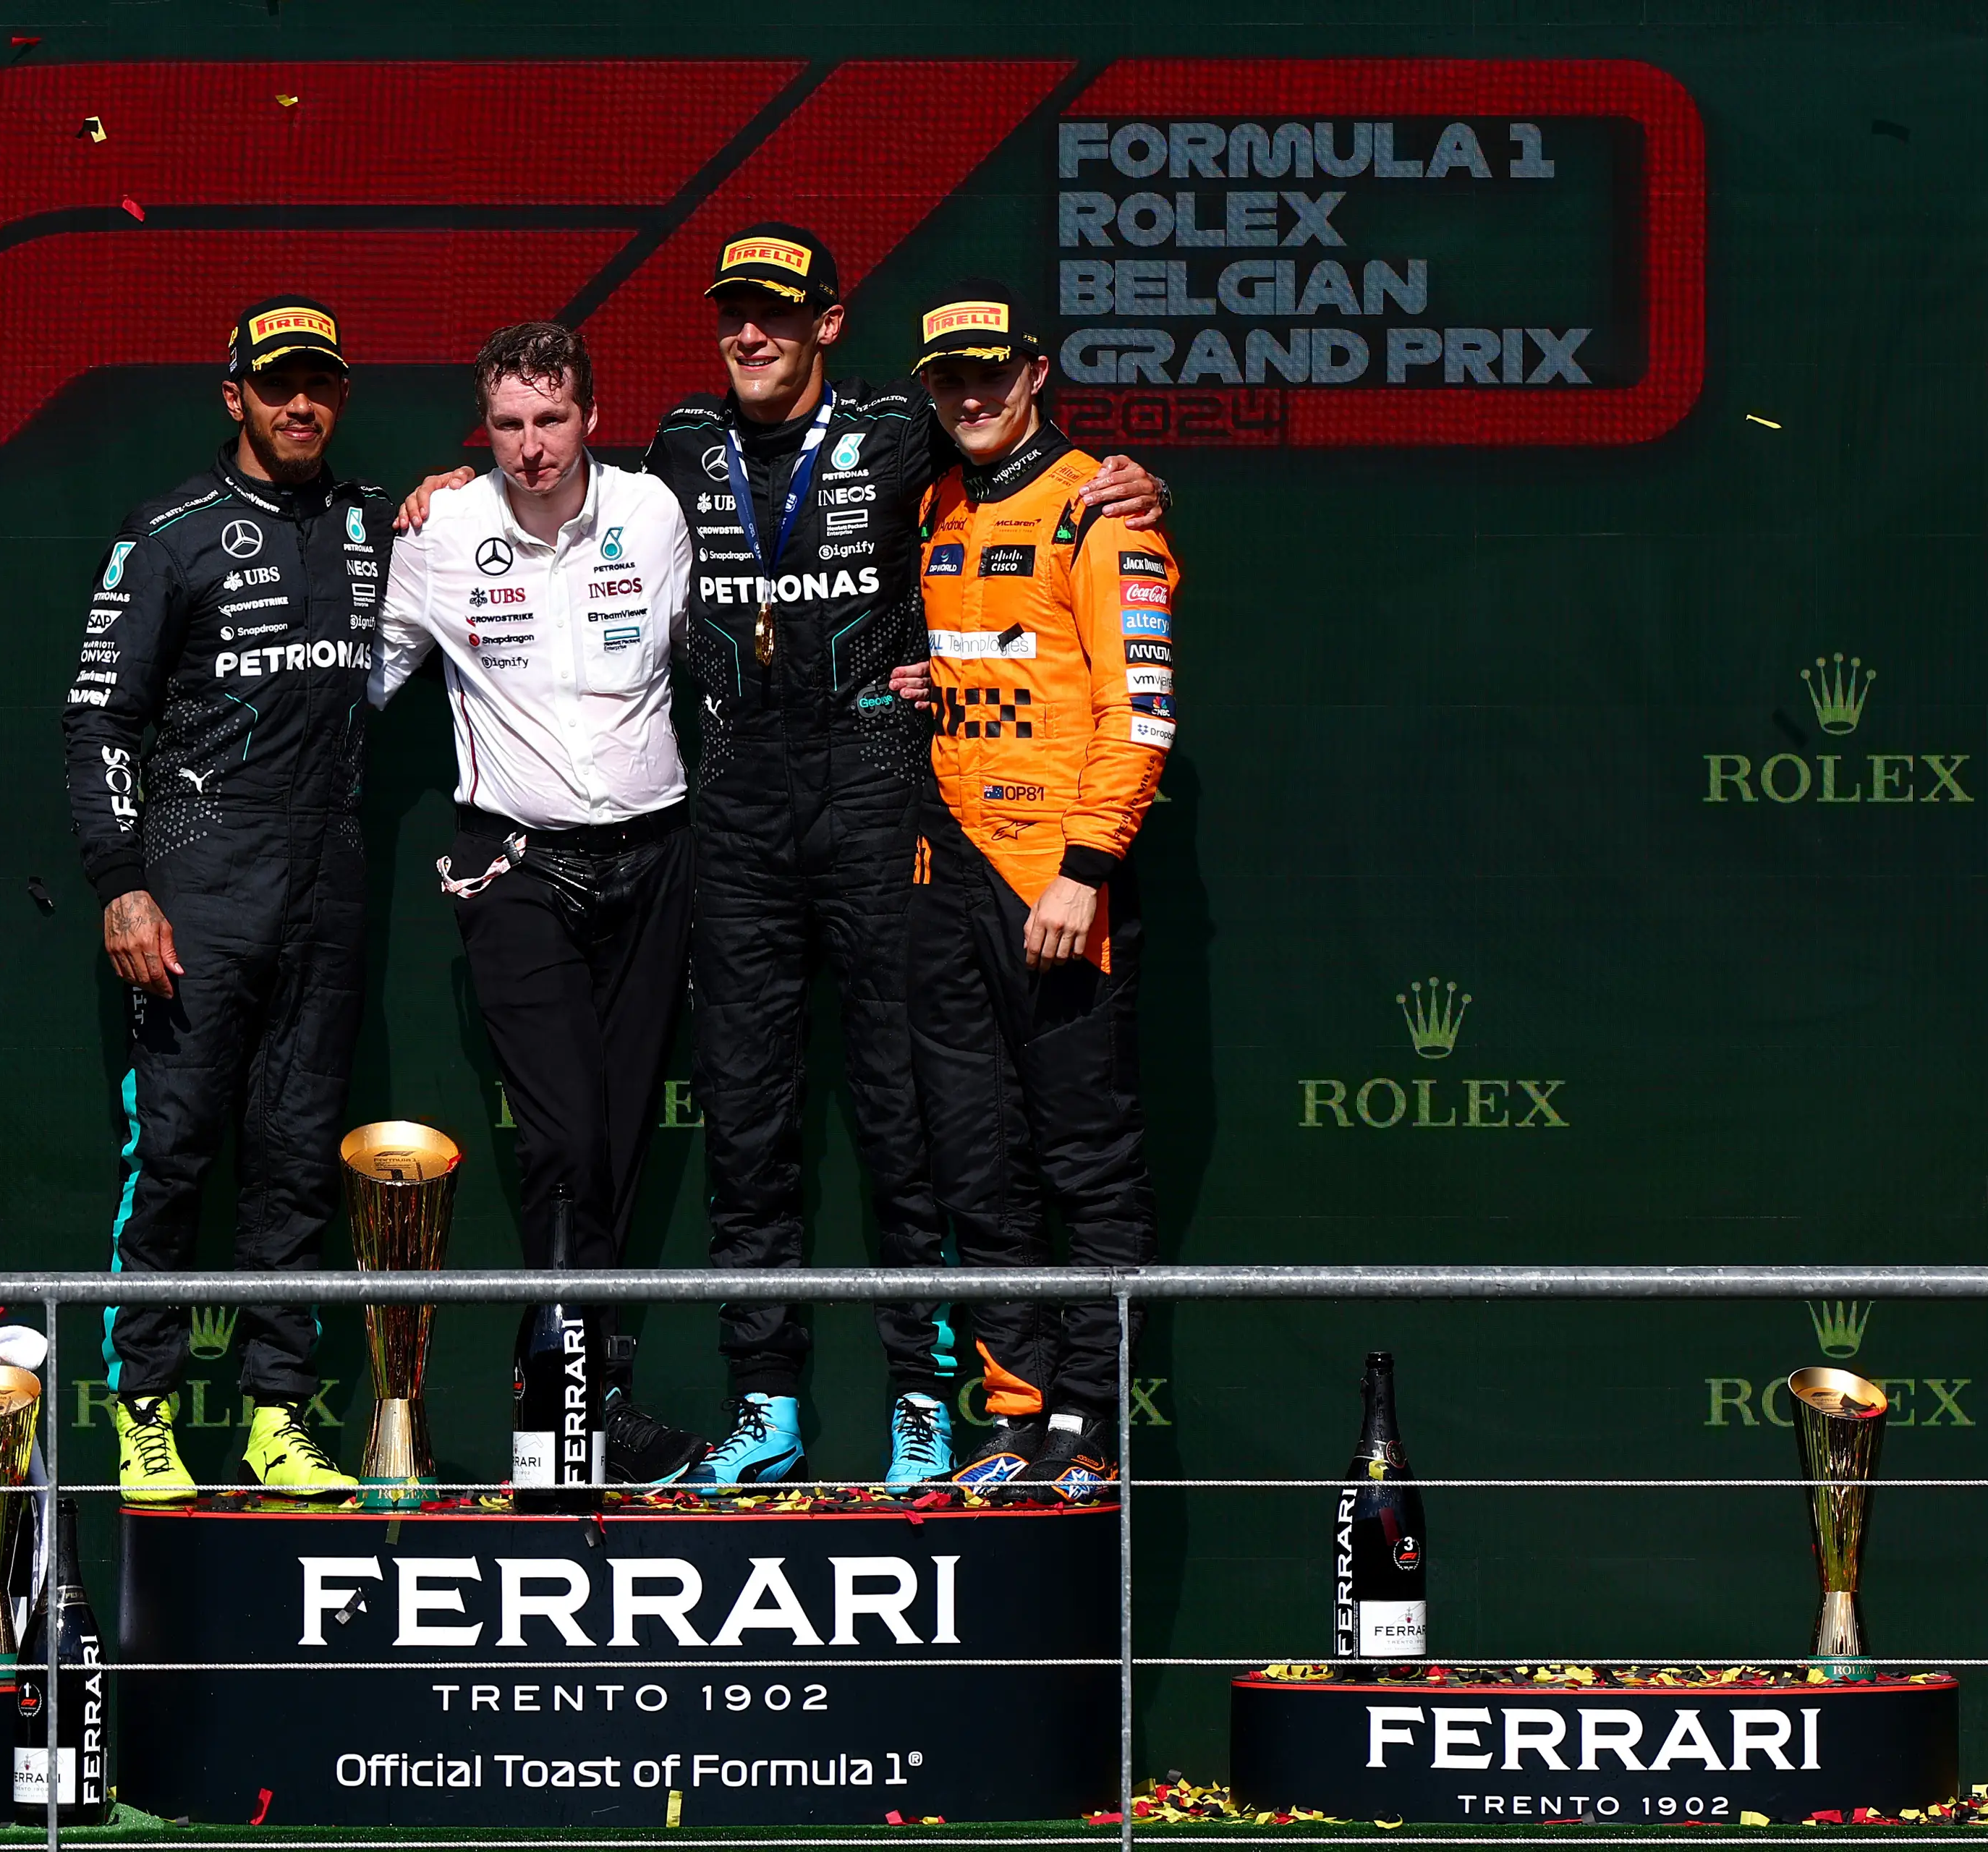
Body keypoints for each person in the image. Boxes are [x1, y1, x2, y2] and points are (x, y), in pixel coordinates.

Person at [400, 227, 1166, 1490]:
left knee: (904, 1118)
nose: (751, 334)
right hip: (738, 807)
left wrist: (1132, 481)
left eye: (778, 313)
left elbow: (1017, 465)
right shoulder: (683, 447)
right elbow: (549, 478)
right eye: (733, 314)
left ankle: (922, 1398)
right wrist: (455, 482)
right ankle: (766, 1397)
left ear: (829, 323)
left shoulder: (903, 429)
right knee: (747, 1119)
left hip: (875, 795)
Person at [368, 321, 712, 1487]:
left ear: (592, 418)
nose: (531, 446)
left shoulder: (654, 514)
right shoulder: (441, 532)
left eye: (551, 419)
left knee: (613, 1141)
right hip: (515, 868)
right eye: (508, 424)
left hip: (655, 860)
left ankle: (582, 1410)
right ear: (484, 430)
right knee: (563, 1139)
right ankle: (561, 1432)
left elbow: (720, 653)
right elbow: (362, 679)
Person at [61, 295, 393, 1505]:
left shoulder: (374, 522)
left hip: (327, 880)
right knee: (175, 1154)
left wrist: (440, 496)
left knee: (299, 1160)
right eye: (276, 384)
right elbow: (99, 719)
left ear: (340, 395)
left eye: (318, 384)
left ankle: (276, 1417)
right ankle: (144, 1417)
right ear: (235, 395)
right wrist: (122, 885)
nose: (298, 404)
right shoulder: (168, 533)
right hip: (199, 881)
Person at [890, 279, 1176, 1500]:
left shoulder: (1103, 508)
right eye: (949, 378)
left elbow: (1142, 710)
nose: (970, 395)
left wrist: (1084, 869)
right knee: (976, 1162)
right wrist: (935, 682)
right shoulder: (936, 501)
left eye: (990, 373)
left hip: (1057, 883)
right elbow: (994, 654)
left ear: (1036, 373)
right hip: (946, 869)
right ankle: (1014, 1412)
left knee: (1087, 1163)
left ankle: (1090, 1419)